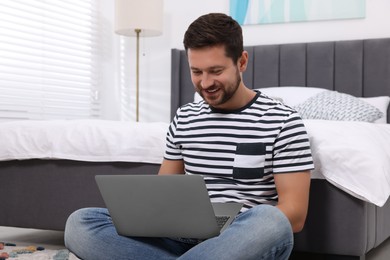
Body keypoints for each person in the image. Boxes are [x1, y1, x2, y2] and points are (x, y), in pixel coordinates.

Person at [64, 13, 314, 260]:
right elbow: (162, 196)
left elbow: (294, 215)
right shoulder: (185, 118)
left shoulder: (282, 121)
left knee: (271, 221)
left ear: (242, 62)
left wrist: (235, 231)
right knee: (82, 223)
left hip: (242, 238)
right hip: (182, 237)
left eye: (216, 71)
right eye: (196, 72)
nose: (205, 83)